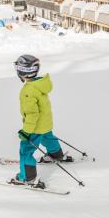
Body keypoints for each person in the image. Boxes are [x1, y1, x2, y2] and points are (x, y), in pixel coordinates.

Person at [11, 54, 72, 188]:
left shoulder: (28, 91)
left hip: (35, 127)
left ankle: (27, 177)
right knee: (48, 138)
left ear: (21, 72)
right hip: (45, 123)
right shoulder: (40, 83)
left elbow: (32, 114)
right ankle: (56, 155)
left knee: (26, 150)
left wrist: (26, 131)